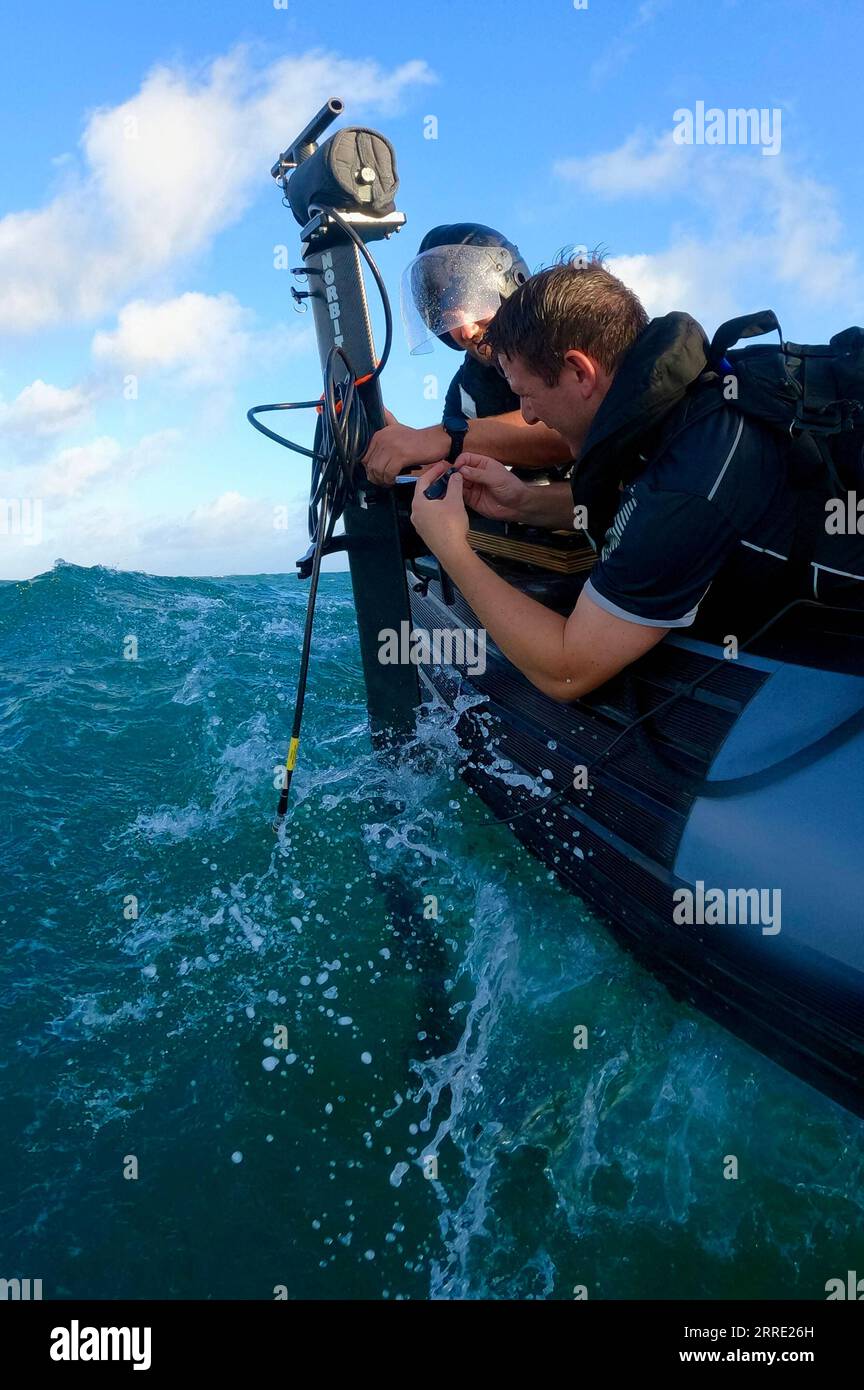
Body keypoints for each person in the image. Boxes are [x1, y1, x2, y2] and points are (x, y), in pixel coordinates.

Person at [410, 258, 864, 703]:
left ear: (579, 372)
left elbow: (566, 670)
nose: (527, 414)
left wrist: (451, 547)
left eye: (527, 394)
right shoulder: (695, 391)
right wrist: (522, 502)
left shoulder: (686, 485)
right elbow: (636, 501)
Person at [362, 223, 571, 485]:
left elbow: (566, 433)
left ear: (508, 285)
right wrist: (399, 453)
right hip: (538, 509)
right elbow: (453, 465)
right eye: (449, 319)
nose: (467, 330)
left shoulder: (561, 333)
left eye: (476, 303)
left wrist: (442, 438)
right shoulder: (466, 389)